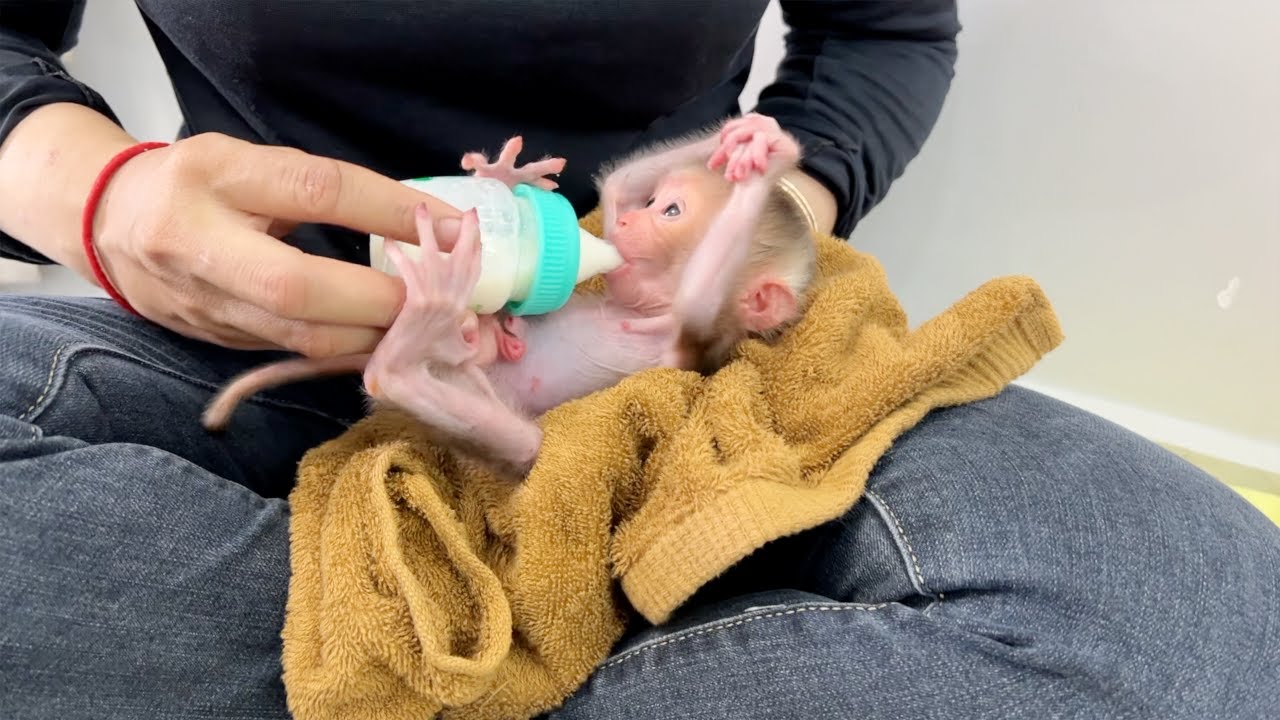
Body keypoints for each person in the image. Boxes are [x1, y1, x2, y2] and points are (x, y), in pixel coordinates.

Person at [0, 2, 1276, 718]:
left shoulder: (730, 307)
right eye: (647, 206)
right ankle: (483, 644)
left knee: (1204, 616)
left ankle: (426, 652)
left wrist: (785, 198)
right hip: (273, 326)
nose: (635, 214)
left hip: (617, 420)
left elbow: (885, 26)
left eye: (672, 215)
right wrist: (103, 197)